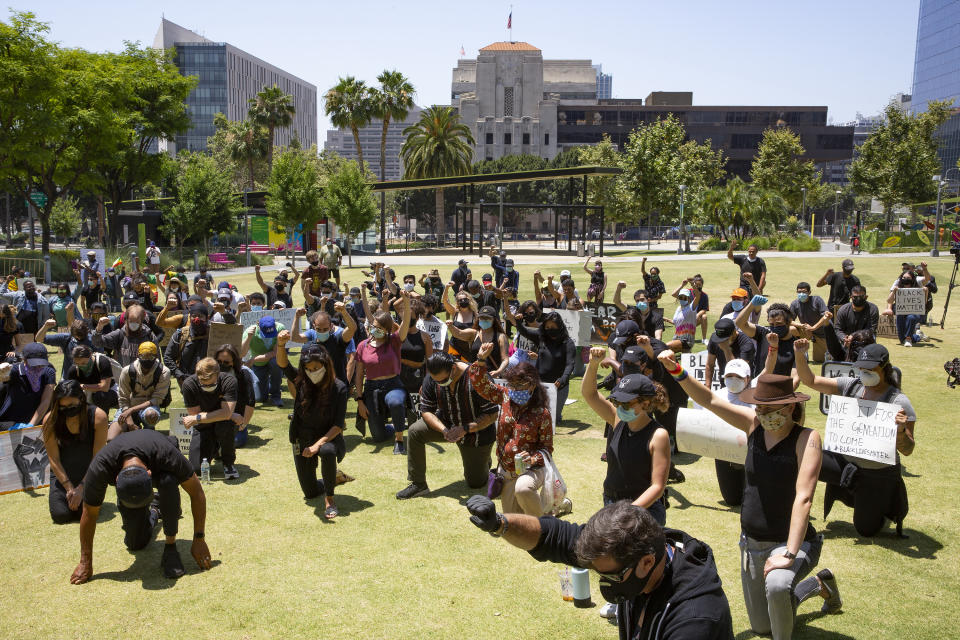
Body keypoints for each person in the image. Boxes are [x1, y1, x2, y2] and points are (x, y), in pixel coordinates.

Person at [657, 350, 842, 639]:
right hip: (752, 543)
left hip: (791, 542)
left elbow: (804, 497)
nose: (762, 414)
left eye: (769, 409)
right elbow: (710, 400)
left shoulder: (807, 439)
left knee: (779, 585)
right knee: (761, 626)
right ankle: (819, 585)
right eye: (759, 408)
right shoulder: (754, 424)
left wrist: (790, 553)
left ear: (789, 408)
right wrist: (676, 370)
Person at [465, 497, 735, 640]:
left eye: (611, 576)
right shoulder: (638, 549)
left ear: (647, 562)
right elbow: (553, 537)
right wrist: (500, 524)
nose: (604, 584)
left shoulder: (695, 620)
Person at [794, 341, 915, 537]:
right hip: (844, 463)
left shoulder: (898, 401)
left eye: (869, 369)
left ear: (885, 368)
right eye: (860, 368)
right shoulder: (851, 386)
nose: (863, 372)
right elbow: (811, 381)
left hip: (877, 473)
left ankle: (882, 508)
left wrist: (901, 431)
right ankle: (793, 513)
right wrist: (800, 354)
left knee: (866, 530)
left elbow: (908, 449)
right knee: (799, 456)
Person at [69, 429, 212, 583]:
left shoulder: (167, 454)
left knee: (168, 481)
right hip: (132, 477)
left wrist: (199, 538)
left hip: (160, 463)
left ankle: (170, 547)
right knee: (136, 543)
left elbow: (197, 492)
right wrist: (85, 562)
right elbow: (89, 513)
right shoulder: (100, 467)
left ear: (149, 474)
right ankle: (156, 509)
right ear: (117, 479)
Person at [396, 352, 499, 499]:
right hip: (447, 424)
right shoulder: (432, 378)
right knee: (414, 431)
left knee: (475, 482)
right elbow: (426, 411)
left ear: (454, 368)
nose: (439, 383)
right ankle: (418, 484)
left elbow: (492, 415)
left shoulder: (478, 378)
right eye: (435, 380)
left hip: (477, 433)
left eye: (443, 380)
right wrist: (444, 430)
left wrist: (465, 429)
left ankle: (484, 461)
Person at [583, 348, 670, 521]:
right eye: (617, 401)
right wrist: (593, 365)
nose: (620, 407)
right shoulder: (617, 418)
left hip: (644, 512)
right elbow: (590, 394)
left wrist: (627, 513)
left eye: (626, 403)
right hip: (612, 504)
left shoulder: (658, 435)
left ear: (645, 403)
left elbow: (658, 486)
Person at [470, 345, 555, 517]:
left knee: (523, 489)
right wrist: (480, 360)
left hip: (531, 470)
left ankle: (544, 527)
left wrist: (531, 459)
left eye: (521, 385)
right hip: (506, 470)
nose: (516, 390)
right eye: (512, 385)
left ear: (532, 385)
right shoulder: (505, 396)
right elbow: (481, 386)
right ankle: (552, 510)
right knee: (512, 519)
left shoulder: (542, 413)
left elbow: (547, 449)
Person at [275, 333, 347, 518]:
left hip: (328, 437)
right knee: (310, 492)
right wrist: (281, 345)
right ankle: (333, 477)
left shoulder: (339, 388)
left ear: (325, 364)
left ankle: (329, 500)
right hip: (303, 436)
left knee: (327, 451)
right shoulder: (302, 381)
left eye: (316, 367)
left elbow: (338, 425)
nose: (313, 371)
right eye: (308, 368)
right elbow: (283, 365)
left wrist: (317, 445)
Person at [42, 380, 108, 523]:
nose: (68, 410)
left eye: (72, 405)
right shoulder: (50, 420)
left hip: (90, 474)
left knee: (83, 514)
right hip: (63, 476)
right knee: (60, 515)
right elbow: (53, 459)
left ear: (81, 399)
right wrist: (69, 488)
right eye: (63, 407)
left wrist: (82, 487)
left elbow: (98, 458)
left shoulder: (99, 417)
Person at [355, 293, 412, 453]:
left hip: (393, 385)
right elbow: (359, 375)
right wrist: (360, 400)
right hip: (371, 388)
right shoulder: (362, 345)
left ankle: (399, 440)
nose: (376, 330)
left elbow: (405, 323)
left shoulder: (394, 341)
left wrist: (406, 303)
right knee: (378, 437)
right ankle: (394, 425)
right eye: (374, 326)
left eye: (380, 328)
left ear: (387, 330)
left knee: (395, 402)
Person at [181, 357, 239, 479]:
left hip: (223, 423)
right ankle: (215, 447)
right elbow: (195, 413)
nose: (208, 386)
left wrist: (227, 414)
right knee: (197, 469)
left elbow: (198, 417)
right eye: (203, 384)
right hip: (203, 426)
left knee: (226, 424)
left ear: (218, 374)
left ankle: (228, 463)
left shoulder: (229, 381)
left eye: (212, 384)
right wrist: (226, 413)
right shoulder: (188, 385)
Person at [515, 310, 575, 422]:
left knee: (553, 418)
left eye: (553, 326)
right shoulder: (541, 337)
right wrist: (518, 321)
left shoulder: (568, 343)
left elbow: (570, 364)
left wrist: (563, 379)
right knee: (536, 415)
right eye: (547, 327)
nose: (550, 329)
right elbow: (524, 331)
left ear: (560, 326)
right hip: (540, 384)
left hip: (559, 386)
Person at [712, 358, 753, 506]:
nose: (733, 380)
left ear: (747, 379)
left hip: (749, 450)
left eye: (739, 377)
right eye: (729, 376)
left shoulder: (757, 397)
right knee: (732, 499)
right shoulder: (716, 396)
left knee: (751, 495)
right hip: (723, 451)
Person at [109, 342, 170, 440]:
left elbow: (157, 399)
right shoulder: (127, 371)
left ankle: (149, 431)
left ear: (156, 356)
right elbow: (123, 399)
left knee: (151, 415)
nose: (147, 360)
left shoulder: (163, 372)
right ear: (138, 356)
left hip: (149, 407)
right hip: (127, 406)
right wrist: (130, 423)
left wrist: (132, 410)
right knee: (111, 438)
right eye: (144, 357)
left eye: (150, 357)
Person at [735, 297, 801, 376]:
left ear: (789, 322)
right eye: (772, 324)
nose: (775, 327)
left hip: (781, 387)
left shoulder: (797, 346)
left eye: (779, 324)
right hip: (759, 385)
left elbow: (795, 377)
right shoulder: (763, 333)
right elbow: (740, 323)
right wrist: (751, 305)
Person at [292, 304, 357, 385]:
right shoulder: (311, 334)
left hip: (336, 384)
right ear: (313, 326)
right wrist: (297, 316)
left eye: (325, 329)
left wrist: (344, 312)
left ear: (331, 326)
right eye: (318, 329)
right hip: (317, 384)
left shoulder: (339, 339)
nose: (322, 332)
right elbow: (295, 338)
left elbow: (352, 328)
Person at [0, 343, 56, 428]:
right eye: (34, 365)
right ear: (24, 360)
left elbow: (46, 400)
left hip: (37, 418)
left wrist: (31, 424)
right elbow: (3, 377)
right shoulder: (15, 370)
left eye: (41, 364)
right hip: (13, 420)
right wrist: (1, 372)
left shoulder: (49, 372)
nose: (38, 368)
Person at [213, 344, 256, 448]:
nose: (222, 364)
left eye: (226, 362)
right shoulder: (211, 374)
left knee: (235, 442)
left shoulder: (243, 374)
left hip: (236, 419)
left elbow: (250, 401)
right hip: (215, 417)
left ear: (234, 361)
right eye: (219, 361)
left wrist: (244, 423)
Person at [824, 285, 878, 361]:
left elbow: (871, 330)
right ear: (851, 297)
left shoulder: (872, 309)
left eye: (861, 296)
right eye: (855, 297)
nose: (858, 299)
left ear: (866, 297)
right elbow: (838, 329)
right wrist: (844, 338)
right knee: (833, 351)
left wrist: (853, 337)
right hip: (846, 343)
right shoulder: (843, 310)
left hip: (865, 342)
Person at [163, 304, 212, 389]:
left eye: (200, 316)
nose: (197, 319)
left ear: (206, 318)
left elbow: (232, 325)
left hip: (209, 382)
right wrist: (179, 374)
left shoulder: (213, 333)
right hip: (186, 382)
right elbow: (168, 357)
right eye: (194, 316)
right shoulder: (180, 335)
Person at [93, 304, 159, 366]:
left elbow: (157, 360)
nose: (133, 324)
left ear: (142, 320)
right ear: (126, 320)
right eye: (131, 321)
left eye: (137, 322)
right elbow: (97, 343)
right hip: (124, 375)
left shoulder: (149, 336)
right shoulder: (120, 334)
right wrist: (99, 328)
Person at [240, 316, 285, 408]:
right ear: (258, 326)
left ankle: (275, 395)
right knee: (261, 398)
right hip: (259, 364)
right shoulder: (250, 332)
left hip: (272, 359)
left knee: (276, 363)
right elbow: (242, 353)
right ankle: (267, 386)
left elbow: (276, 352)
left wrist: (253, 359)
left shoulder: (280, 329)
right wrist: (249, 337)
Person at [397, 298, 434, 397]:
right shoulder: (397, 334)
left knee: (417, 410)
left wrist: (426, 383)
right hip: (398, 378)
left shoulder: (425, 337)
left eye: (409, 316)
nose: (406, 319)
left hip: (417, 378)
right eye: (405, 316)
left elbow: (429, 362)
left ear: (417, 317)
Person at [883, 269, 929, 347]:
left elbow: (924, 303)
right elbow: (889, 300)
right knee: (901, 340)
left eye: (908, 278)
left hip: (915, 312)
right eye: (904, 277)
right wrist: (894, 292)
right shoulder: (897, 285)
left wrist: (926, 292)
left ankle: (908, 338)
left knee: (911, 317)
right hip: (901, 312)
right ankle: (918, 336)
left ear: (912, 279)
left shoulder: (917, 285)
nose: (905, 279)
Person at [705, 317, 758, 384]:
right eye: (719, 338)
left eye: (725, 339)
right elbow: (710, 365)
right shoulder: (714, 339)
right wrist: (707, 387)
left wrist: (726, 349)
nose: (721, 341)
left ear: (734, 332)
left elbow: (738, 371)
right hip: (724, 383)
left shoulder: (746, 344)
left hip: (743, 385)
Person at [65, 345, 118, 412]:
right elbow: (70, 389)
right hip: (87, 393)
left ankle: (102, 419)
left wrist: (82, 386)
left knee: (100, 396)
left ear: (90, 356)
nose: (81, 366)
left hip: (110, 392)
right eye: (77, 363)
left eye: (83, 363)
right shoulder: (73, 370)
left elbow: (105, 387)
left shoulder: (102, 362)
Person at [789, 282, 829, 363]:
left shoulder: (817, 300)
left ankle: (826, 351)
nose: (801, 294)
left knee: (819, 360)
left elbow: (825, 316)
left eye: (804, 292)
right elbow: (789, 320)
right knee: (791, 329)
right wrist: (802, 325)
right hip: (805, 330)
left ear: (809, 292)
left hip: (820, 332)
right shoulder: (795, 303)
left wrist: (813, 328)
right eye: (799, 292)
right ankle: (802, 351)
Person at [669, 286, 700, 352]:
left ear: (688, 299)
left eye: (684, 298)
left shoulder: (691, 307)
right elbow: (676, 322)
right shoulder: (678, 309)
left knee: (666, 347)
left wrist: (692, 284)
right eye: (680, 297)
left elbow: (698, 296)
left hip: (686, 340)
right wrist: (665, 319)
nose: (682, 299)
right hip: (676, 337)